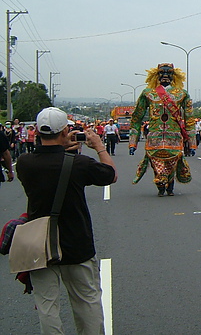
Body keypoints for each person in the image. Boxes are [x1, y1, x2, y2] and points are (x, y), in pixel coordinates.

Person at [16, 107, 117, 334]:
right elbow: (110, 174)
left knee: (47, 306)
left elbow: (46, 161)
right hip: (75, 242)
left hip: (39, 246)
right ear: (65, 131)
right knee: (86, 301)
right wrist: (98, 146)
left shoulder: (24, 163)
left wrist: (62, 149)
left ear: (38, 132)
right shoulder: (78, 163)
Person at [129, 63, 196, 196]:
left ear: (174, 75)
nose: (165, 75)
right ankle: (160, 185)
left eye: (169, 73)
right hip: (154, 137)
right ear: (156, 75)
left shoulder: (182, 94)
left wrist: (192, 143)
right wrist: (133, 142)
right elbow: (136, 118)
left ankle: (170, 185)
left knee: (172, 162)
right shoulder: (148, 93)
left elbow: (189, 119)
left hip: (174, 138)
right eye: (162, 73)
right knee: (156, 162)